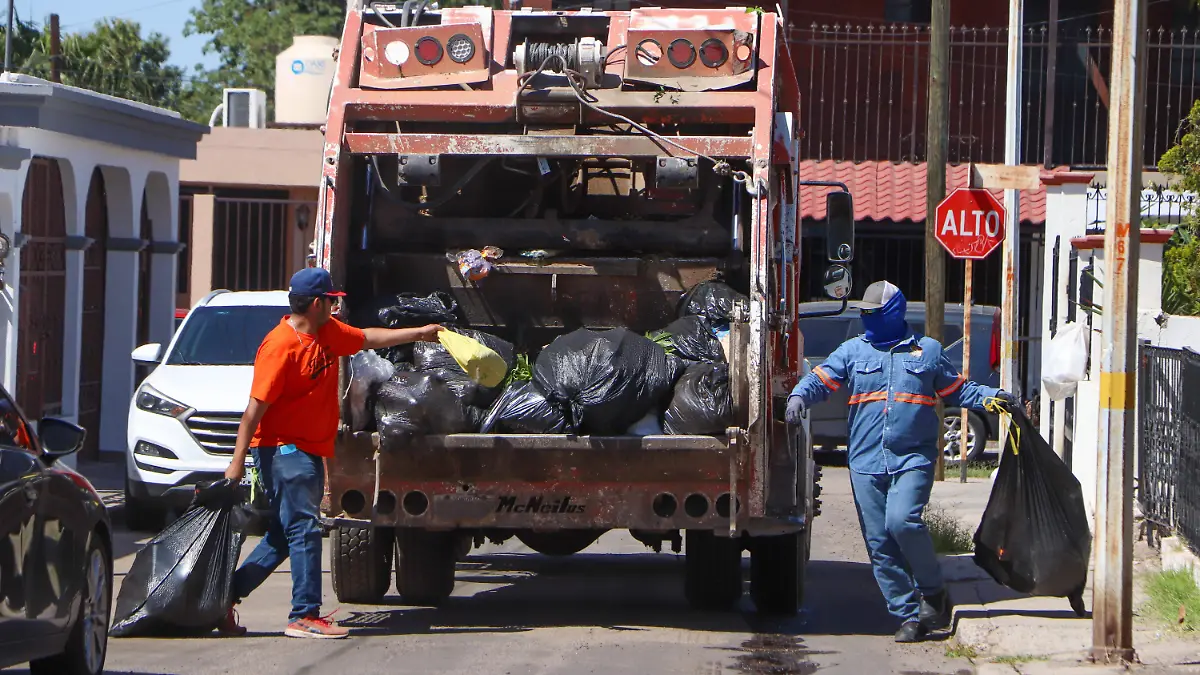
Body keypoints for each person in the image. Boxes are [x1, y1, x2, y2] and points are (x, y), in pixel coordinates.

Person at [218, 267, 444, 639]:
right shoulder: (279, 347)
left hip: (305, 450)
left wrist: (420, 333)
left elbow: (368, 338)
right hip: (281, 449)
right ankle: (304, 615)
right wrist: (236, 463)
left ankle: (223, 595)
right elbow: (252, 412)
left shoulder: (327, 334)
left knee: (283, 534)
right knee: (305, 528)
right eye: (331, 301)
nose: (336, 307)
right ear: (317, 303)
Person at [786, 280, 1016, 643]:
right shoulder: (852, 352)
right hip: (864, 461)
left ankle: (933, 590)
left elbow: (959, 389)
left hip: (913, 458)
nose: (866, 319)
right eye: (863, 313)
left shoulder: (927, 352)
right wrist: (799, 396)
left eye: (872, 313)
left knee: (903, 521)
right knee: (879, 541)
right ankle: (908, 614)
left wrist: (994, 398)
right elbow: (821, 379)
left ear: (892, 313)